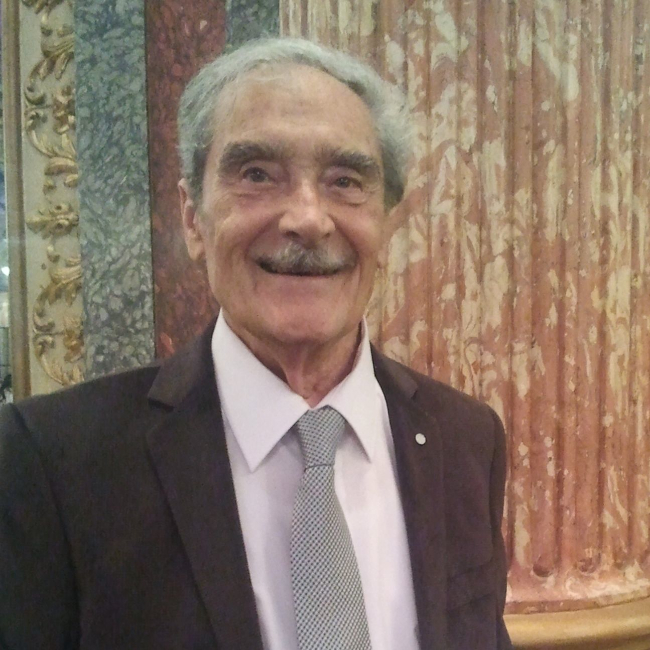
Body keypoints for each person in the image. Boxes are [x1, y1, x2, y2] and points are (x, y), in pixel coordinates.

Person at [0, 38, 512, 650]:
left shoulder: (466, 439)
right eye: (257, 175)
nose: (308, 219)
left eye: (345, 181)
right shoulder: (53, 463)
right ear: (192, 218)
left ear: (387, 223)